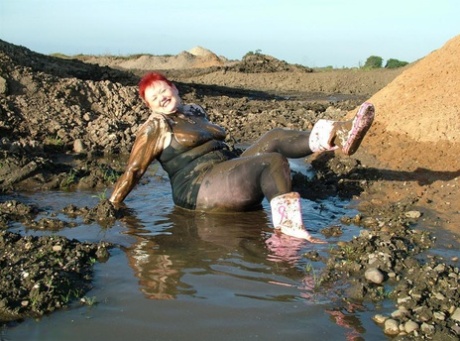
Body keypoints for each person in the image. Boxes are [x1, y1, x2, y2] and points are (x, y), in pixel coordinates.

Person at [109, 72, 375, 242]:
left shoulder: (194, 111)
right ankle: (288, 232)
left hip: (224, 171)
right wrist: (112, 204)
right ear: (149, 105)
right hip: (198, 189)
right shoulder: (155, 126)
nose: (162, 98)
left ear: (174, 88)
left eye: (163, 90)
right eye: (154, 98)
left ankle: (338, 135)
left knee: (275, 136)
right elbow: (134, 170)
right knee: (271, 163)